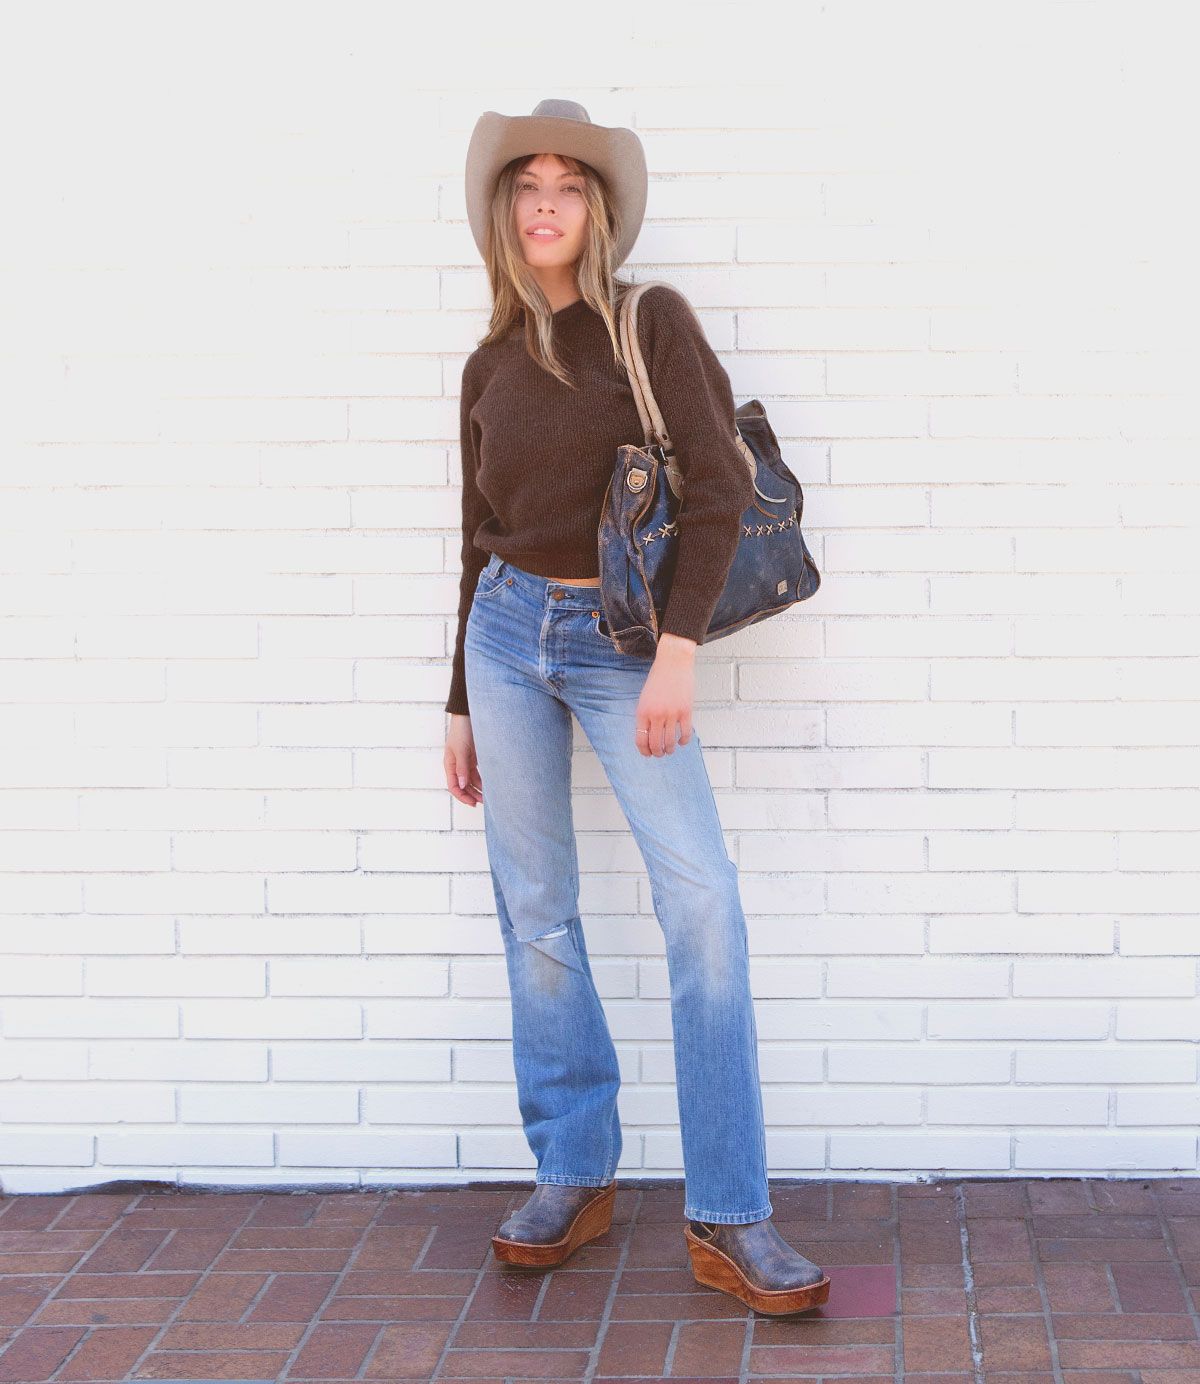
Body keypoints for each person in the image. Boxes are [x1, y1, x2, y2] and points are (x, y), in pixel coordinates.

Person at [442, 99, 830, 1316]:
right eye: (525, 185)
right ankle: (572, 1169)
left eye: (567, 184)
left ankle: (730, 1211)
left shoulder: (646, 320)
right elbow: (474, 540)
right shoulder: (489, 364)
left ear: (597, 210)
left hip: (620, 646)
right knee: (538, 913)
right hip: (504, 636)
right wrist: (459, 698)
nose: (545, 200)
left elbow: (714, 486)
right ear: (505, 214)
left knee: (701, 903)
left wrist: (674, 654)